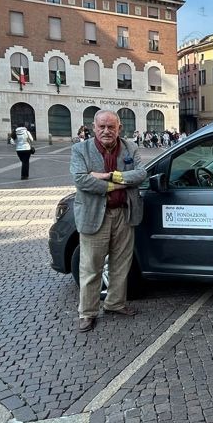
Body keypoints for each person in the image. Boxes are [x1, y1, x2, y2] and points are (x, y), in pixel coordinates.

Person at [71, 110, 147, 332]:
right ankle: (87, 312)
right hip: (95, 215)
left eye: (111, 127)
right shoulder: (80, 150)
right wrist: (118, 183)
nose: (106, 131)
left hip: (124, 213)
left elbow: (141, 174)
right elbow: (81, 180)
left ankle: (115, 303)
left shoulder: (130, 147)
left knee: (121, 264)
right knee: (91, 267)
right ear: (93, 127)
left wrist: (108, 175)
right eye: (102, 127)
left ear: (119, 128)